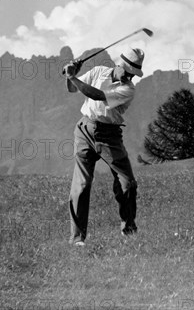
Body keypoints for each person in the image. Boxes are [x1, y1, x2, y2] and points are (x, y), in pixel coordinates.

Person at [64, 47, 145, 246]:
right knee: (81, 186)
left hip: (109, 137)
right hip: (84, 130)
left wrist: (73, 77)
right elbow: (72, 89)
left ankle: (129, 230)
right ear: (119, 65)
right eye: (127, 72)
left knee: (127, 183)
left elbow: (98, 95)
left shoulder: (128, 89)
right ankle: (77, 239)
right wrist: (70, 75)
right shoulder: (99, 71)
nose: (129, 77)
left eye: (133, 75)